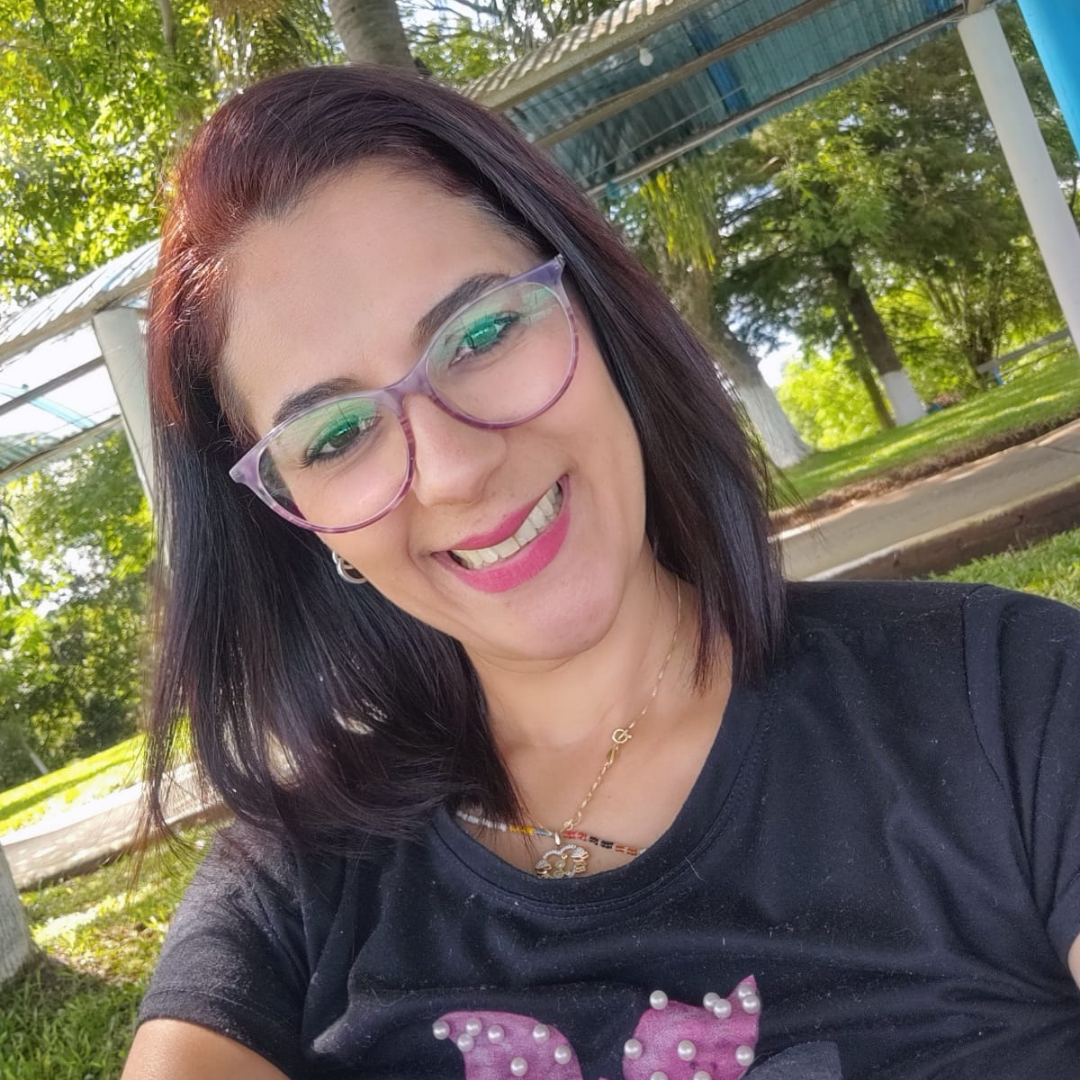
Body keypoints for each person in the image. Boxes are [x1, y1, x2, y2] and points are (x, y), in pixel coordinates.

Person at [122, 64, 1080, 1080]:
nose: (453, 468)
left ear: (593, 310)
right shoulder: (284, 900)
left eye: (483, 333)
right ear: (300, 523)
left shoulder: (1006, 697)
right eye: (337, 435)